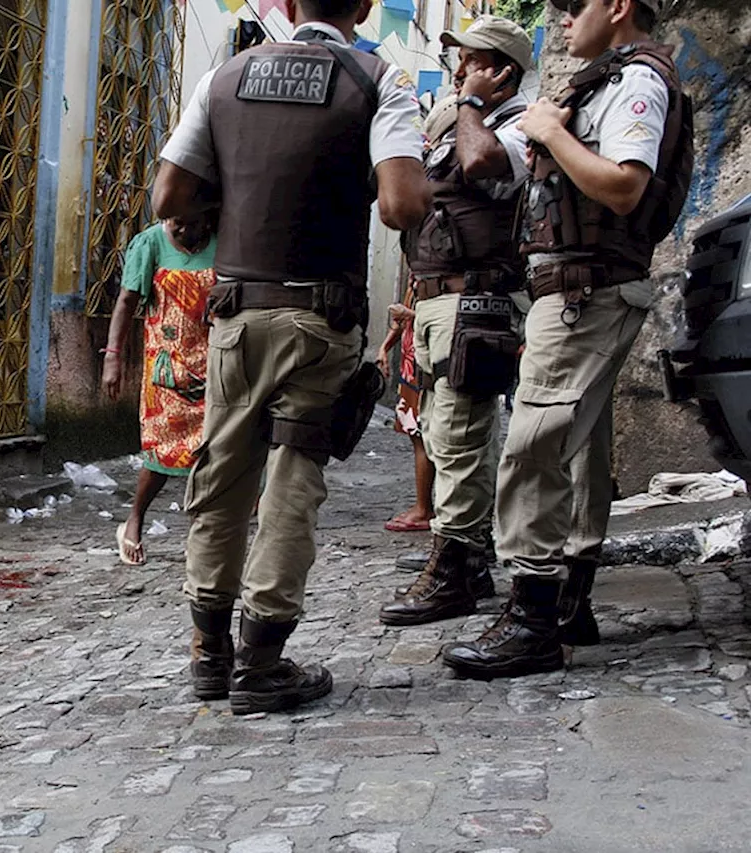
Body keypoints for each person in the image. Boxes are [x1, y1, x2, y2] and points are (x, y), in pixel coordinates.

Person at [152, 0, 428, 714]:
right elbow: (401, 204)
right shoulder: (377, 80)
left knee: (223, 475)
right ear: (364, 6)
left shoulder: (224, 78)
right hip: (320, 319)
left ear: (289, 4)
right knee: (292, 483)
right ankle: (262, 663)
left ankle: (208, 655)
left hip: (236, 317)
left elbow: (168, 195)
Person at [443, 0, 693, 678]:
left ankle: (530, 619)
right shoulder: (594, 86)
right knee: (573, 447)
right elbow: (492, 167)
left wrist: (552, 132)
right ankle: (565, 602)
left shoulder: (637, 82)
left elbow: (622, 188)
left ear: (616, 8)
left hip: (588, 292)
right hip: (568, 290)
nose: (560, 21)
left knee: (533, 445)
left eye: (572, 7)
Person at [378, 15, 534, 627]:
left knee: (463, 437)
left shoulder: (515, 124)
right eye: (460, 60)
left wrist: (470, 104)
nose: (459, 70)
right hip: (442, 302)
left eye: (471, 61)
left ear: (502, 71)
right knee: (443, 438)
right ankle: (469, 562)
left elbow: (482, 167)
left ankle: (451, 572)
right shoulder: (457, 122)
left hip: (479, 301)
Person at [101, 212, 218, 565]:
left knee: (211, 455)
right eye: (175, 221)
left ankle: (200, 536)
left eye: (192, 220)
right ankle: (134, 519)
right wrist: (112, 357)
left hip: (213, 368)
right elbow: (126, 302)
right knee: (161, 454)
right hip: (165, 372)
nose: (182, 227)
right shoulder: (149, 243)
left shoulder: (224, 244)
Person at [376, 280, 434, 533]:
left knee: (424, 436)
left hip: (426, 361)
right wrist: (385, 347)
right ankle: (423, 505)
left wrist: (409, 315)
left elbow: (445, 315)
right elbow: (402, 319)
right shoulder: (418, 275)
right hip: (411, 363)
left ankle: (424, 508)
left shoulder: (437, 274)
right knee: (416, 435)